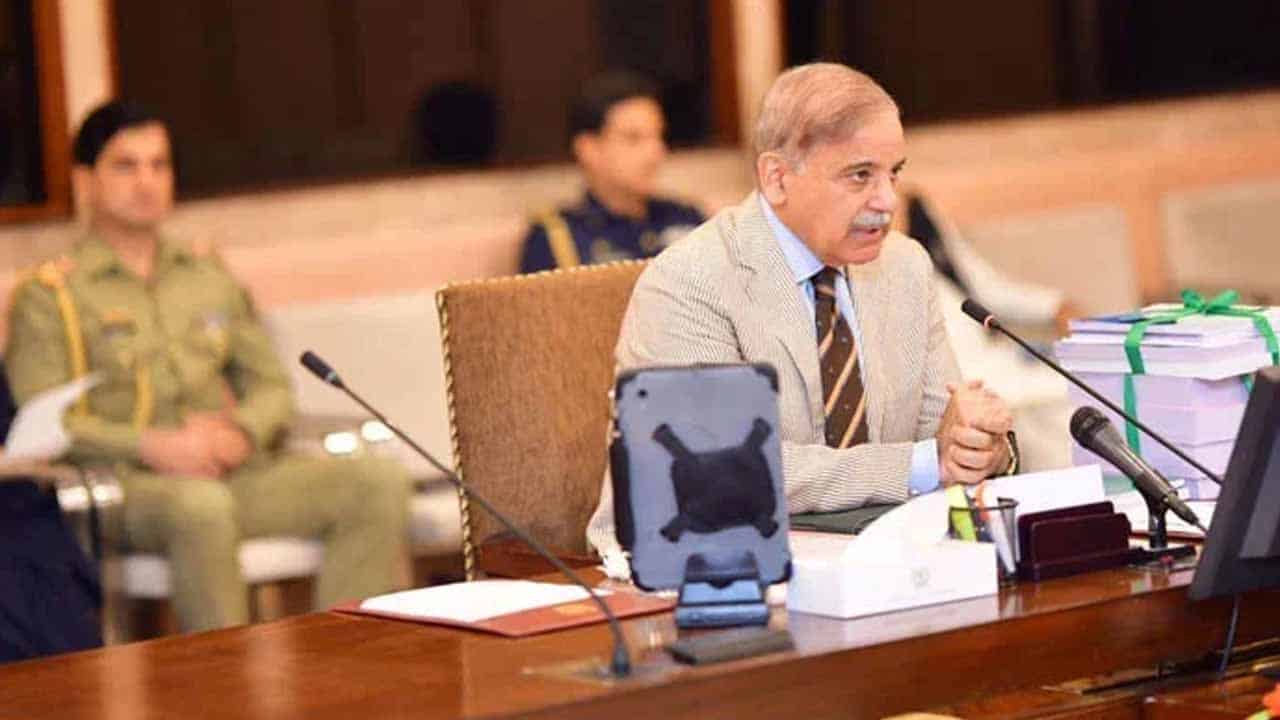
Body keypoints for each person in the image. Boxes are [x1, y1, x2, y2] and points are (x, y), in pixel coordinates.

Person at [4, 101, 411, 633]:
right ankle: (225, 679)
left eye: (159, 165)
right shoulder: (50, 294)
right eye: (126, 166)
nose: (147, 182)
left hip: (229, 474)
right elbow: (42, 425)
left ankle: (344, 663)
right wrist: (152, 445)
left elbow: (271, 385)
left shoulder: (205, 274)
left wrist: (242, 432)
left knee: (376, 482)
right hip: (127, 487)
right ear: (85, 180)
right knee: (202, 509)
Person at [587, 63, 1016, 559]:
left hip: (877, 557)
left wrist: (980, 447)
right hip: (702, 567)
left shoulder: (905, 267)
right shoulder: (690, 281)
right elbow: (719, 473)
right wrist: (920, 464)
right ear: (776, 178)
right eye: (860, 175)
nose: (887, 201)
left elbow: (943, 435)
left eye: (893, 173)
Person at [518, 71, 704, 273]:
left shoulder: (687, 218)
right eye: (634, 139)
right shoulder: (558, 236)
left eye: (658, 136)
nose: (656, 152)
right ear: (588, 149)